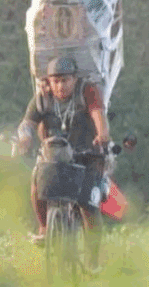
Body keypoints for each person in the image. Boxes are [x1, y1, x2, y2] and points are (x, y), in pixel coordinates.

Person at [17, 56, 111, 247]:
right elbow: (27, 123)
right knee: (37, 182)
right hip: (54, 156)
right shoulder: (42, 99)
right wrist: (24, 138)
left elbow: (98, 114)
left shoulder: (87, 91)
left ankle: (92, 259)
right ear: (48, 82)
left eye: (65, 80)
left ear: (74, 79)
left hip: (87, 155)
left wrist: (101, 135)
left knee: (87, 204)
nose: (60, 86)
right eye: (56, 81)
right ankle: (44, 227)